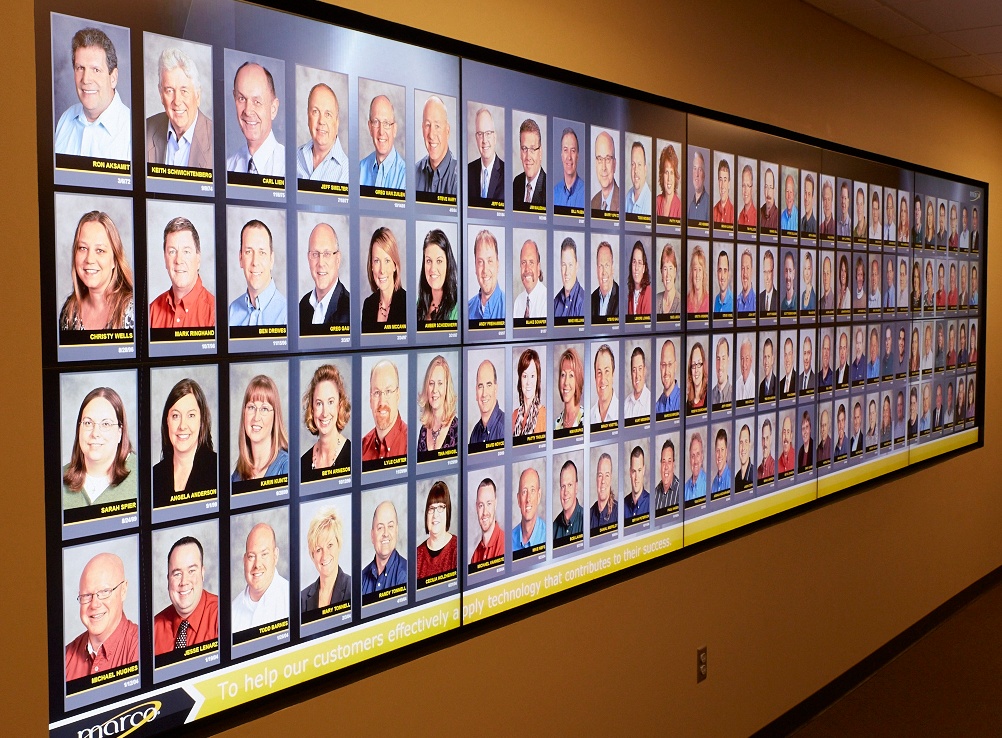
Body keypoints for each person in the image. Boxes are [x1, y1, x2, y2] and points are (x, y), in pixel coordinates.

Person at [55, 28, 130, 160]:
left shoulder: (133, 131)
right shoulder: (65, 119)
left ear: (113, 78)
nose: (86, 79)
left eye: (96, 70)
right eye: (80, 68)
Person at [65, 553, 138, 681]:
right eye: (87, 595)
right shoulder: (66, 657)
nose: (94, 604)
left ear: (123, 590)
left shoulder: (144, 646)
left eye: (105, 592)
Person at [59, 211, 135, 332]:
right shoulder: (70, 311)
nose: (89, 259)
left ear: (115, 260)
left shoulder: (133, 311)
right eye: (83, 248)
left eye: (100, 250)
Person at [62, 387, 136, 510]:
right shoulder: (56, 480)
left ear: (120, 432)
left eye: (105, 424)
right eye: (88, 423)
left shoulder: (144, 476)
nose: (95, 433)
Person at [152, 378, 217, 505]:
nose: (182, 426)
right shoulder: (154, 476)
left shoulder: (218, 469)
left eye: (191, 415)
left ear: (202, 420)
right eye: (175, 416)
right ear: (167, 421)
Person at [146, 47, 212, 168]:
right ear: (161, 94)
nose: (177, 101)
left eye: (184, 91)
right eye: (169, 90)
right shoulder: (146, 130)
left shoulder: (215, 140)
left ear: (197, 95)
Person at [153, 537, 219, 655]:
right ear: (168, 579)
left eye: (191, 571)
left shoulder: (224, 615)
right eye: (177, 574)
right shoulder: (154, 628)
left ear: (202, 573)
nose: (184, 582)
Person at [150, 216, 216, 331]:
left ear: (198, 259)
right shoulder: (152, 311)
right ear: (165, 259)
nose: (178, 260)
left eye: (186, 251)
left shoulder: (215, 313)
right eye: (172, 251)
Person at [226, 62, 284, 176]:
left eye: (257, 102)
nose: (248, 111)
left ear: (273, 109)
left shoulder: (292, 168)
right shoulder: (228, 167)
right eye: (242, 99)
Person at [227, 219, 287, 327]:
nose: (255, 262)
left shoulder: (288, 315)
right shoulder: (231, 313)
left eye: (262, 252)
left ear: (271, 259)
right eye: (248, 252)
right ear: (240, 258)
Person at [232, 523, 288, 631]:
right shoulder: (232, 612)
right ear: (244, 560)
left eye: (264, 554)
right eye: (251, 556)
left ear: (275, 556)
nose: (257, 564)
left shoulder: (293, 599)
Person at [232, 375, 288, 483]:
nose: (256, 417)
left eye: (264, 409)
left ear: (275, 416)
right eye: (251, 407)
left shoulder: (287, 466)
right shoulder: (237, 474)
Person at [300, 364, 350, 482]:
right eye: (319, 403)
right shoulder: (302, 463)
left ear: (340, 405)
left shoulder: (354, 457)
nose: (325, 413)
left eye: (330, 402)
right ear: (312, 408)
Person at [299, 223, 349, 334]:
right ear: (308, 258)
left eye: (327, 254)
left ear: (338, 259)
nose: (321, 263)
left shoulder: (349, 310)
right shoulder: (303, 305)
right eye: (315, 254)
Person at [296, 83, 348, 182]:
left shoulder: (349, 173)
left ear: (337, 122)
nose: (321, 121)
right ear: (308, 116)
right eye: (315, 112)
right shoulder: (292, 159)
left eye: (328, 114)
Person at [300, 509, 351, 612]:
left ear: (338, 545)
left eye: (330, 545)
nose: (325, 555)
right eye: (318, 550)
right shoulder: (302, 599)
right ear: (312, 555)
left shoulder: (355, 588)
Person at [361, 226, 406, 332]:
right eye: (376, 261)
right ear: (371, 265)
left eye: (387, 261)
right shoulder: (368, 305)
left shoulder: (408, 304)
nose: (382, 270)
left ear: (395, 265)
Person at [361, 360, 407, 463]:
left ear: (398, 395)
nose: (382, 402)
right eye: (377, 392)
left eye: (388, 391)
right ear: (370, 399)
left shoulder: (412, 443)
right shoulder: (361, 448)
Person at [358, 94, 405, 190]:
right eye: (376, 122)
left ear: (394, 129)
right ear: (370, 127)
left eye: (386, 123)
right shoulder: (359, 170)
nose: (381, 131)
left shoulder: (406, 176)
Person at [361, 501, 407, 594]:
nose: (385, 533)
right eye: (380, 527)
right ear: (372, 536)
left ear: (396, 531)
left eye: (390, 526)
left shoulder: (407, 574)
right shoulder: (361, 579)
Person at [414, 95, 457, 196]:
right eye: (428, 125)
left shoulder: (460, 179)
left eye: (437, 126)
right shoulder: (413, 174)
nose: (431, 135)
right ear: (422, 128)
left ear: (447, 130)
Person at [414, 229, 459, 325]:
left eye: (439, 261)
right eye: (429, 261)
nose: (433, 269)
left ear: (448, 264)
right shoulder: (418, 304)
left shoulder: (459, 306)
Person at [417, 355, 458, 457]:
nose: (435, 390)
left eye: (440, 383)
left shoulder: (458, 429)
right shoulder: (423, 431)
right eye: (431, 383)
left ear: (447, 387)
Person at [415, 482, 457, 580]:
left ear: (448, 512)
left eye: (440, 507)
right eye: (431, 508)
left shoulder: (457, 548)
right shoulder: (417, 555)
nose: (435, 515)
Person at [468, 108, 504, 207]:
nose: (484, 140)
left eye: (488, 133)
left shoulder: (507, 174)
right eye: (480, 134)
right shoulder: (467, 171)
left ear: (495, 137)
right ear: (476, 138)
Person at [468, 229, 505, 321]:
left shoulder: (510, 308)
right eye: (480, 262)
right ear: (475, 266)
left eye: (490, 261)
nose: (485, 269)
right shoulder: (466, 310)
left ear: (497, 264)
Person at [512, 118, 546, 210]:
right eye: (524, 149)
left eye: (532, 149)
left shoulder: (549, 189)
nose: (528, 157)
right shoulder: (516, 183)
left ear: (540, 152)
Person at [512, 348, 546, 437]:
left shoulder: (544, 415)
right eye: (525, 376)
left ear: (537, 379)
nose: (528, 382)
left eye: (532, 376)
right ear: (520, 380)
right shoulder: (514, 415)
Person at [470, 478, 504, 564]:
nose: (485, 512)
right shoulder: (475, 555)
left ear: (495, 504)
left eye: (489, 504)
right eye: (481, 505)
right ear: (476, 507)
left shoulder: (505, 544)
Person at [471, 360, 505, 444]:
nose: (484, 394)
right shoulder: (475, 434)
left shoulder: (506, 428)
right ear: (476, 392)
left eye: (489, 385)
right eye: (480, 386)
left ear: (495, 389)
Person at [512, 468, 546, 551]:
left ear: (539, 496)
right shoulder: (508, 540)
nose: (528, 499)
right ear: (518, 499)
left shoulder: (550, 535)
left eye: (532, 490)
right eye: (524, 492)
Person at [512, 239, 547, 320]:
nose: (527, 269)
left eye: (531, 262)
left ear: (538, 268)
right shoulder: (518, 302)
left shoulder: (547, 300)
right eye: (523, 262)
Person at [554, 236, 585, 320]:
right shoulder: (555, 302)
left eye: (570, 265)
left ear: (576, 266)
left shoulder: (585, 303)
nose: (566, 272)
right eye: (564, 265)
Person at [553, 128, 584, 209]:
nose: (569, 157)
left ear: (577, 156)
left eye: (573, 151)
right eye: (565, 150)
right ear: (561, 155)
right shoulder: (554, 193)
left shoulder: (586, 193)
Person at [553, 460, 584, 539]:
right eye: (563, 486)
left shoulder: (587, 521)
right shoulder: (553, 528)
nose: (565, 492)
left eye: (570, 485)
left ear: (576, 487)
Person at [555, 347, 584, 430]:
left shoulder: (587, 419)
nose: (566, 382)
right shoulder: (556, 423)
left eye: (571, 375)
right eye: (563, 375)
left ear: (578, 380)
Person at [591, 240, 620, 321]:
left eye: (607, 265)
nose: (603, 272)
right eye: (600, 266)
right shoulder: (591, 299)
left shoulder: (622, 297)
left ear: (612, 267)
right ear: (597, 269)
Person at [591, 131, 620, 212]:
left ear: (614, 164)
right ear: (596, 164)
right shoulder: (593, 203)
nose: (603, 167)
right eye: (600, 159)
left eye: (607, 159)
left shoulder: (624, 201)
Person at [590, 344, 618, 425]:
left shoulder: (625, 412)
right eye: (599, 373)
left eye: (607, 371)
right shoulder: (588, 417)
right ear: (595, 377)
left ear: (613, 375)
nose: (602, 379)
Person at [591, 453, 618, 531]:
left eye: (607, 475)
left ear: (611, 478)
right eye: (600, 475)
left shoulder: (619, 512)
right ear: (596, 478)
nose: (603, 481)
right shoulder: (589, 516)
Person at [624, 346, 651, 419]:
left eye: (640, 369)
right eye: (634, 370)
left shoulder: (651, 402)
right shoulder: (626, 403)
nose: (637, 376)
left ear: (644, 370)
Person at [656, 144, 682, 219]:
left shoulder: (679, 207)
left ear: (675, 176)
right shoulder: (657, 202)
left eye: (671, 173)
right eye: (666, 172)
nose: (669, 179)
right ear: (662, 175)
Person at [656, 339, 681, 415]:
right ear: (660, 367)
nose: (666, 371)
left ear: (675, 366)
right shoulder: (656, 407)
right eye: (664, 365)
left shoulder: (684, 400)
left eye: (669, 364)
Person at [625, 141, 651, 215]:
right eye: (633, 164)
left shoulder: (650, 203)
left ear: (645, 169)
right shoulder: (628, 196)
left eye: (639, 164)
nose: (635, 170)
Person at [627, 241, 652, 316]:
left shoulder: (649, 294)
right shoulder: (631, 295)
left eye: (640, 263)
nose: (636, 268)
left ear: (644, 268)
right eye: (634, 262)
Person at [625, 446, 651, 518]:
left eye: (639, 470)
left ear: (643, 470)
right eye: (634, 471)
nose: (636, 477)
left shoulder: (652, 503)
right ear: (630, 472)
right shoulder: (622, 505)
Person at [654, 439, 680, 512]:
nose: (666, 467)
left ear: (673, 465)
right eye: (663, 462)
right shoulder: (655, 494)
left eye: (669, 461)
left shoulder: (681, 491)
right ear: (660, 464)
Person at [657, 242, 681, 315]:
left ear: (675, 271)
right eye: (665, 269)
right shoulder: (655, 300)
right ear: (661, 272)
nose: (668, 274)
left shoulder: (681, 303)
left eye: (670, 268)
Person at [684, 432, 707, 505]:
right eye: (692, 456)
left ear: (702, 456)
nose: (695, 461)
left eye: (698, 454)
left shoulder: (708, 484)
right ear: (689, 459)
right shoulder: (685, 489)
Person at [686, 243, 709, 315]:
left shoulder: (709, 301)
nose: (697, 275)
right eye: (695, 269)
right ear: (691, 273)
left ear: (703, 274)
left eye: (700, 269)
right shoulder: (686, 300)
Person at [688, 150, 709, 222]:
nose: (696, 174)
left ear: (704, 175)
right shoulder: (691, 207)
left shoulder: (709, 204)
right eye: (694, 169)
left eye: (700, 170)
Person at [686, 341, 707, 412]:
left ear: (703, 366)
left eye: (699, 364)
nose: (696, 370)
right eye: (693, 365)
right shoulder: (688, 403)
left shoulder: (710, 396)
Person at [712, 158, 733, 226]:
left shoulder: (734, 214)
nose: (722, 185)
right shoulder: (713, 212)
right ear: (718, 182)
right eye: (720, 180)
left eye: (725, 180)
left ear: (729, 184)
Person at [711, 337, 732, 407]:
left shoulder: (735, 395)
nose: (720, 366)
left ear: (728, 360)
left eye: (723, 359)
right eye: (718, 359)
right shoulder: (710, 396)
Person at [710, 429, 731, 497]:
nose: (720, 455)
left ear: (726, 452)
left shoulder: (731, 480)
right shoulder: (714, 483)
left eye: (722, 450)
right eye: (717, 450)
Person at [735, 337, 756, 403]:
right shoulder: (737, 384)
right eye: (742, 359)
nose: (744, 364)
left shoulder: (755, 384)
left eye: (746, 358)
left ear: (751, 360)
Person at [713, 249, 733, 315]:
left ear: (728, 274)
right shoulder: (716, 300)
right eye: (720, 270)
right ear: (717, 273)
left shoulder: (734, 302)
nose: (722, 276)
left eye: (725, 270)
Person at [735, 424, 754, 490]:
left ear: (750, 445)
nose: (743, 447)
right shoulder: (737, 478)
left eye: (746, 442)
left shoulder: (755, 475)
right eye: (741, 442)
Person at [737, 248, 756, 313]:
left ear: (751, 271)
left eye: (747, 268)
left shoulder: (758, 303)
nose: (745, 273)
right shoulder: (735, 303)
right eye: (743, 268)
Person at [759, 249, 777, 314]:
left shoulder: (779, 298)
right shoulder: (759, 298)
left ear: (773, 272)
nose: (767, 278)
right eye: (765, 272)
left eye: (769, 272)